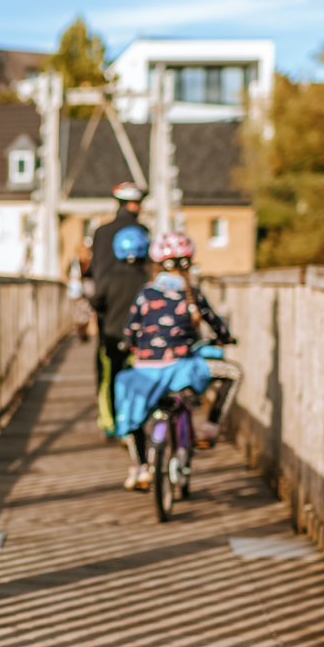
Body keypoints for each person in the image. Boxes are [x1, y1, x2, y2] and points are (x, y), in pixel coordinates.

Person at [114, 231, 243, 490]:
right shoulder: (191, 293)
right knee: (233, 373)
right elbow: (216, 325)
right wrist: (226, 338)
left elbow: (130, 331)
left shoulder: (146, 293)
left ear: (158, 263)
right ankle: (210, 428)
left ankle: (141, 468)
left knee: (130, 412)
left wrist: (131, 345)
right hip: (182, 369)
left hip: (146, 372)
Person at [87, 182, 151, 435]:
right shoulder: (142, 231)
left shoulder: (101, 232)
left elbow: (93, 270)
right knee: (137, 364)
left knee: (107, 366)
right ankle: (134, 417)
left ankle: (109, 419)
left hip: (108, 310)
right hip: (138, 309)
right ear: (135, 204)